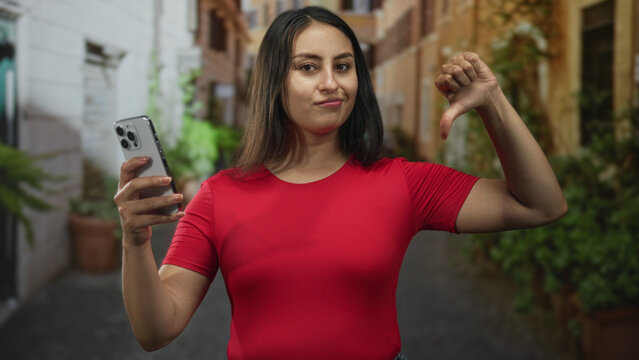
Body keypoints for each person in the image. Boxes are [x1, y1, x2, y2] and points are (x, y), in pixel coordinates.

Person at [114, 6, 567, 360]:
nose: (332, 83)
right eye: (308, 67)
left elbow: (541, 205)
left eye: (344, 66)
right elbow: (156, 331)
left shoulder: (404, 183)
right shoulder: (219, 195)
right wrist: (135, 242)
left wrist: (494, 104)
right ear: (275, 82)